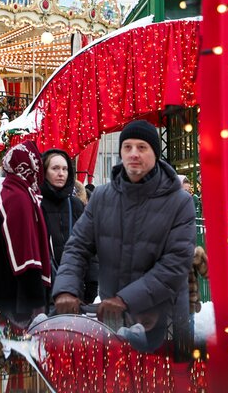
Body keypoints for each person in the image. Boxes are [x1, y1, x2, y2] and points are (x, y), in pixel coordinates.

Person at [53, 120, 195, 353]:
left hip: (162, 319)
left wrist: (125, 299)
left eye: (142, 147)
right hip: (113, 319)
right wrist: (66, 288)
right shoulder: (102, 197)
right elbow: (77, 247)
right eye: (127, 147)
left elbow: (175, 264)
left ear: (155, 153)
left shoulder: (179, 202)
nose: (133, 154)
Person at [0, 141, 52, 335]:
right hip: (16, 297)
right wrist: (35, 302)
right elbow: (24, 255)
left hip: (11, 290)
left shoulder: (20, 193)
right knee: (17, 357)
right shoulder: (18, 198)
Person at [40, 149, 98, 304]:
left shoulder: (76, 205)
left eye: (65, 169)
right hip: (43, 291)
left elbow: (89, 246)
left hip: (74, 290)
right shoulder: (36, 204)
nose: (61, 173)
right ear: (44, 172)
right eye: (55, 168)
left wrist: (92, 282)